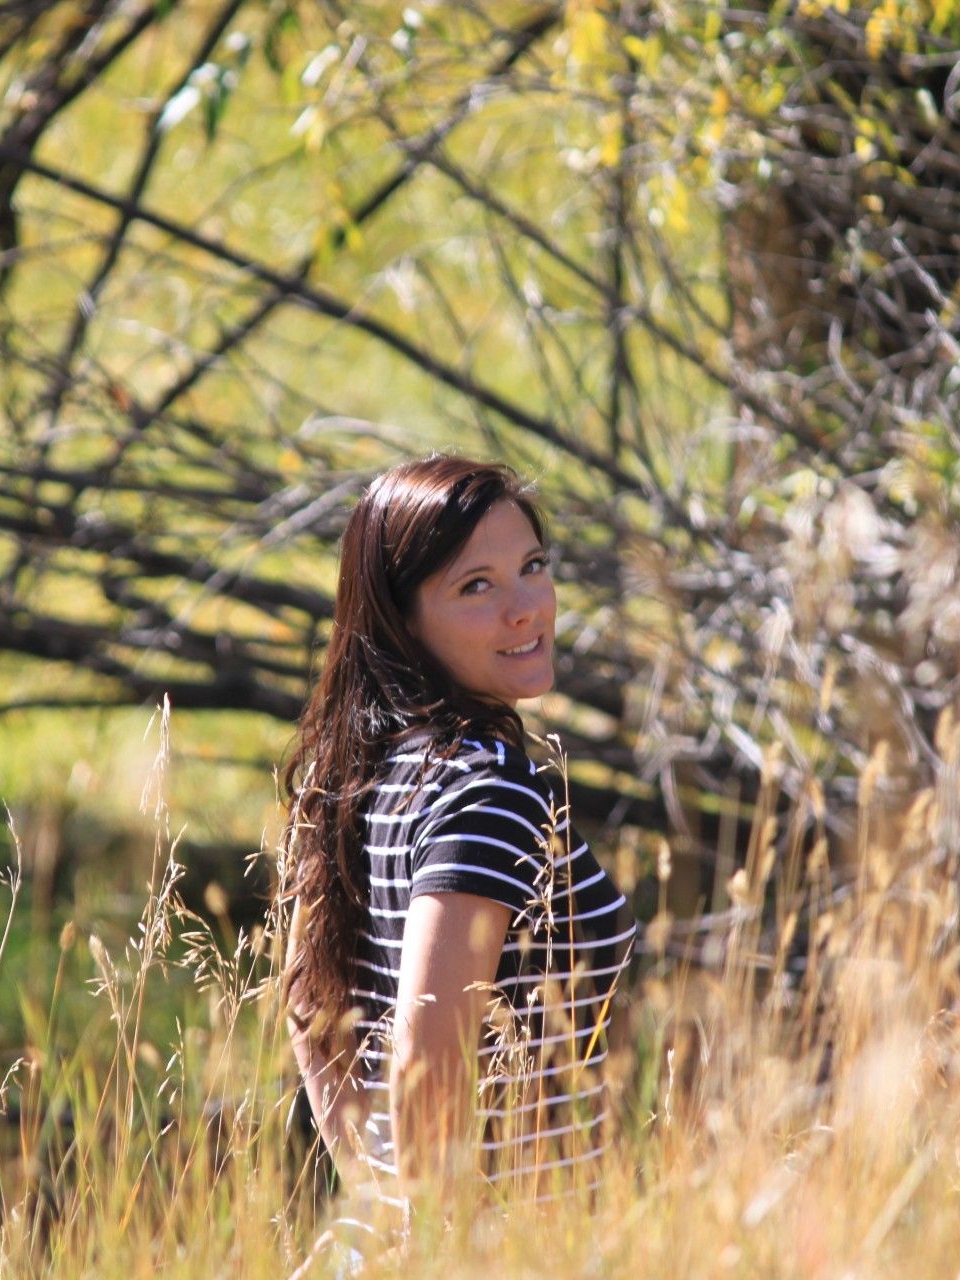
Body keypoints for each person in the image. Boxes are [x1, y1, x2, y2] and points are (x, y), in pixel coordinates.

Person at [280, 455, 636, 1259]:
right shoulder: (493, 791)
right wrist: (446, 1249)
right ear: (404, 619)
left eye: (533, 568)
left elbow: (310, 1008)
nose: (526, 609)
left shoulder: (357, 771)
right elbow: (427, 1064)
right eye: (476, 586)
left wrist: (379, 1200)